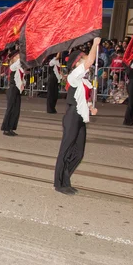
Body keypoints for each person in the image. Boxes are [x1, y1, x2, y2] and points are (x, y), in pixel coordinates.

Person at [54, 37, 101, 195]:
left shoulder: (83, 81)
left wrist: (90, 107)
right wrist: (95, 44)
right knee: (66, 150)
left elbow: (81, 98)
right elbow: (90, 61)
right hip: (72, 116)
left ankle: (66, 179)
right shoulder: (74, 75)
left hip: (80, 116)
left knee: (78, 152)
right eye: (83, 57)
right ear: (76, 63)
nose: (87, 59)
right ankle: (59, 183)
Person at [1, 50, 24, 136]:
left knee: (16, 110)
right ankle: (6, 129)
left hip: (17, 89)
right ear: (13, 58)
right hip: (13, 88)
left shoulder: (19, 67)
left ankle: (11, 127)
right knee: (10, 109)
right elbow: (20, 61)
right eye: (17, 56)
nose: (19, 57)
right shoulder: (13, 66)